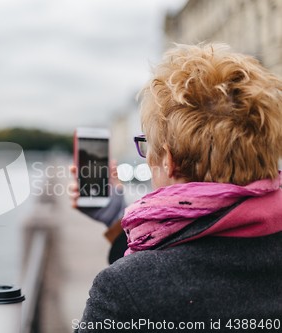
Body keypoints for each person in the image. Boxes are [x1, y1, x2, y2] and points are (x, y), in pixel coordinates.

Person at [69, 43, 282, 332]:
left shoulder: (124, 290)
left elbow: (166, 270)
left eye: (147, 147)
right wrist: (116, 220)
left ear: (168, 161)